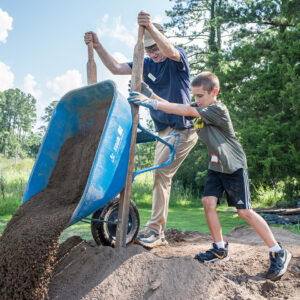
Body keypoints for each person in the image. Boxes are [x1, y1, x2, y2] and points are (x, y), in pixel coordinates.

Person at [128, 72, 292, 281]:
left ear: (214, 93)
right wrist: (148, 93)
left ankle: (278, 251)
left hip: (233, 165)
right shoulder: (200, 109)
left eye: (200, 96)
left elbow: (184, 109)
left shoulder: (217, 110)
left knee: (245, 212)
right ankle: (219, 249)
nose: (196, 100)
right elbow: (175, 106)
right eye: (194, 96)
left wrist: (149, 103)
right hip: (216, 164)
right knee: (208, 202)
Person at [84, 11, 198, 248]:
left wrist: (149, 28)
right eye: (148, 50)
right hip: (164, 132)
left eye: (155, 48)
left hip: (183, 129)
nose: (153, 54)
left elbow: (169, 51)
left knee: (162, 175)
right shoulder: (145, 64)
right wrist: (97, 46)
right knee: (158, 176)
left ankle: (156, 231)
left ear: (162, 40)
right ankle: (151, 227)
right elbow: (115, 67)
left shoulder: (178, 61)